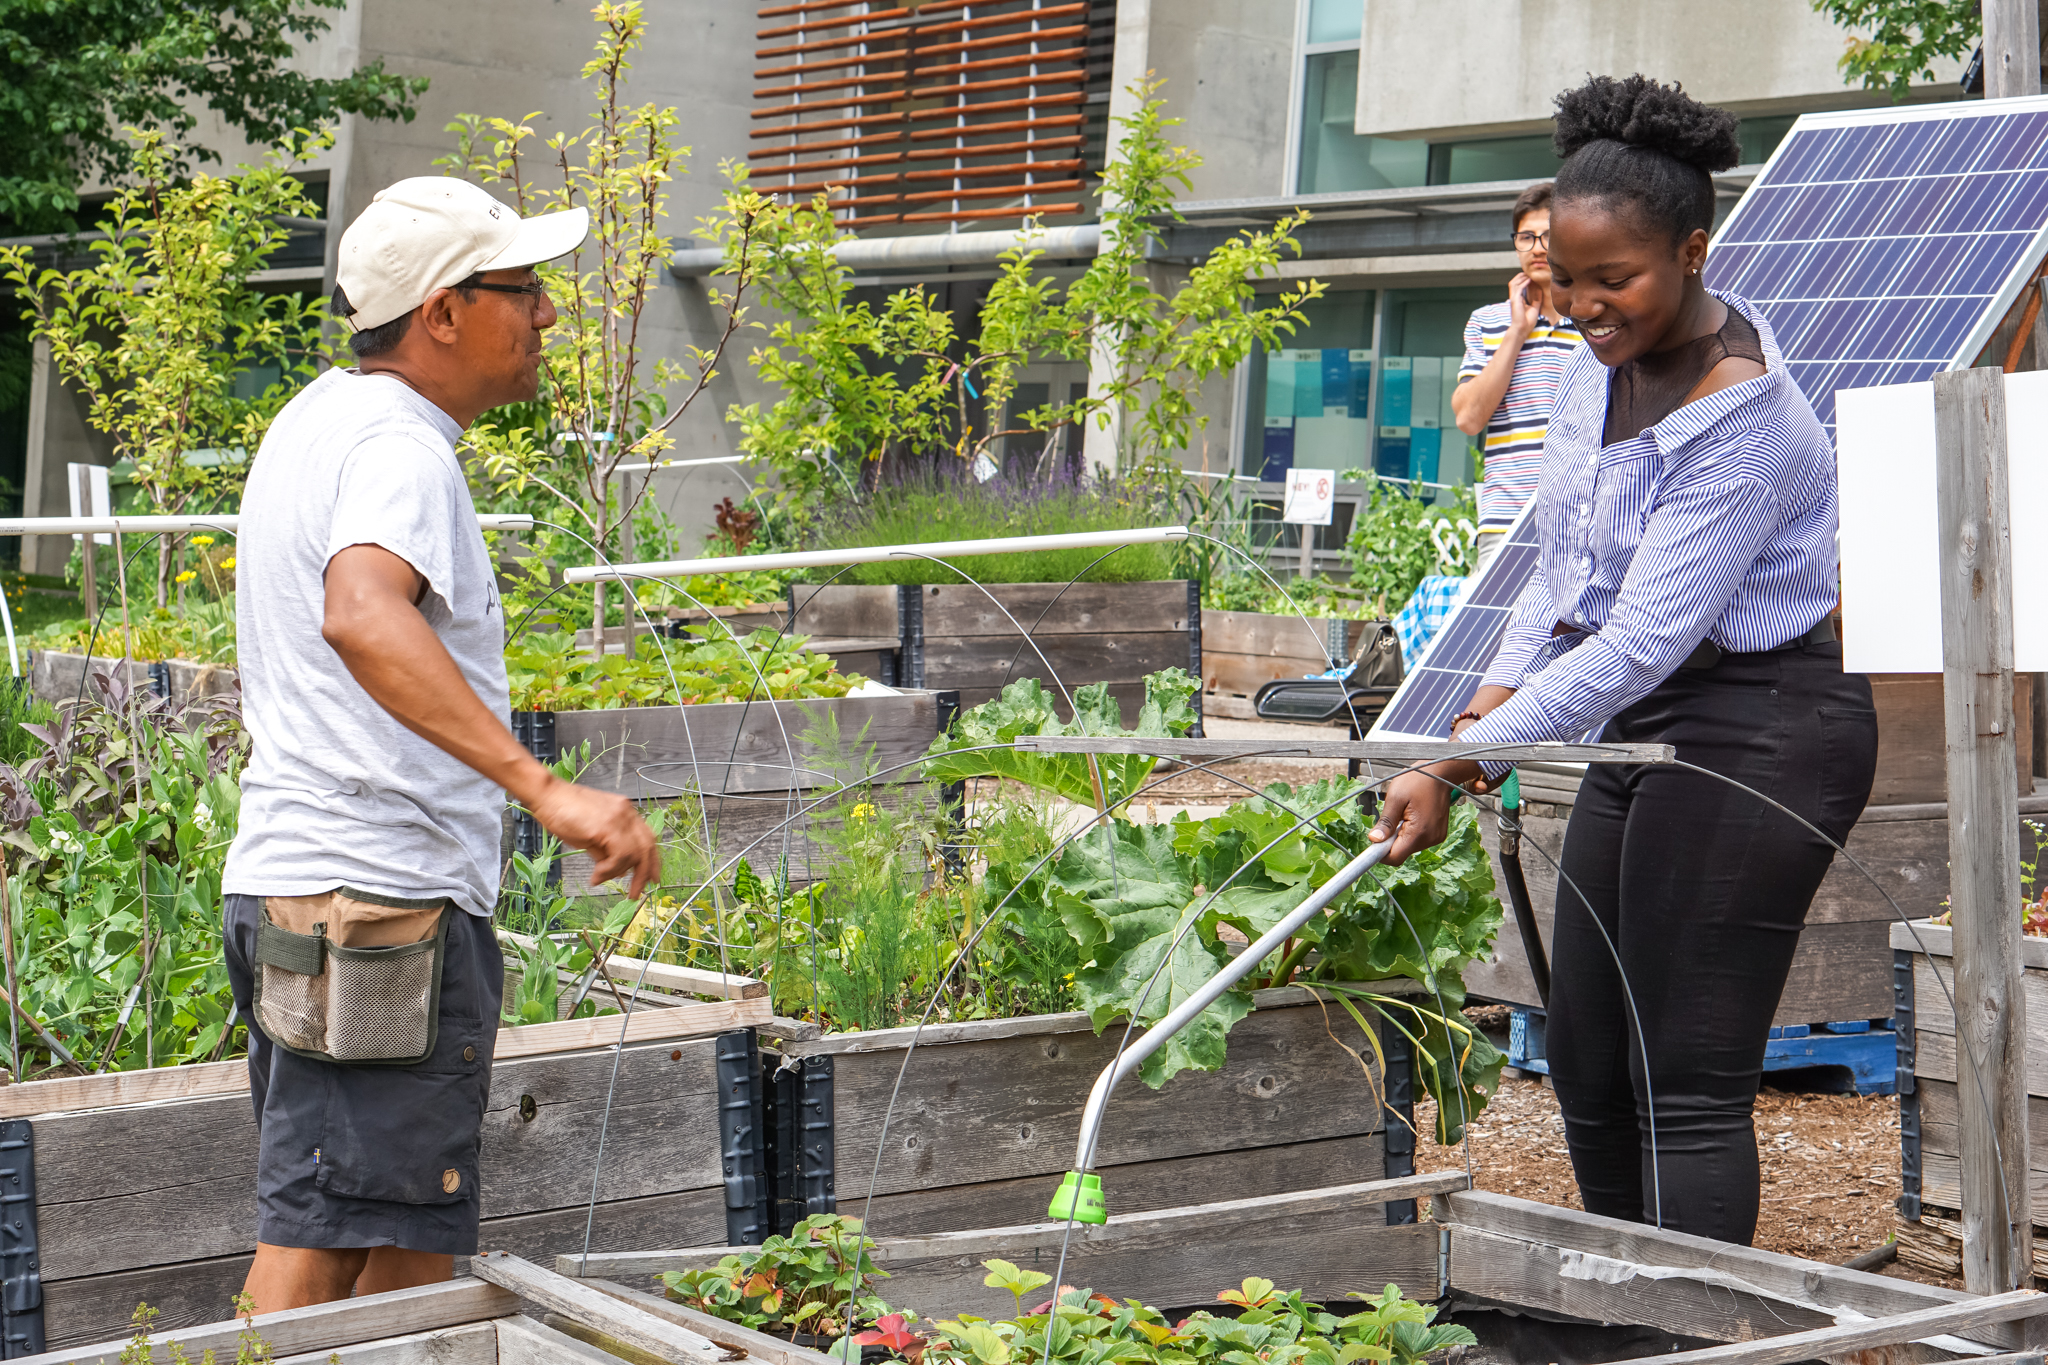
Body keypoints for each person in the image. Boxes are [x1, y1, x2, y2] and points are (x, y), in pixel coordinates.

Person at [1367, 75, 1878, 1245]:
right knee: (1589, 1057)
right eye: (1566, 281)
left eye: (1616, 281)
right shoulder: (1594, 369)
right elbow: (1553, 575)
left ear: (1690, 253)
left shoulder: (1747, 419)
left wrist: (1461, 768)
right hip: (1645, 720)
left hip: (1767, 726)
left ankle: (1680, 1327)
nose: (1588, 307)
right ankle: (1616, 1306)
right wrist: (1469, 730)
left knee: (1681, 1075)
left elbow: (1643, 636)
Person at [221, 177, 662, 1311]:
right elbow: (363, 611)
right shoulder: (401, 450)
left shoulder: (319, 419)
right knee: (323, 1232)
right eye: (523, 292)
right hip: (374, 901)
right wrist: (545, 789)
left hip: (321, 888)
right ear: (443, 313)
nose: (548, 318)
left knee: (399, 1241)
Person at [1451, 182, 1584, 576]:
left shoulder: (1597, 322)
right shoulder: (1488, 322)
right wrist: (1516, 332)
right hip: (1504, 519)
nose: (1538, 248)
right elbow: (1468, 418)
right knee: (1494, 634)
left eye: (1549, 236)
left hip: (1581, 519)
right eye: (1527, 237)